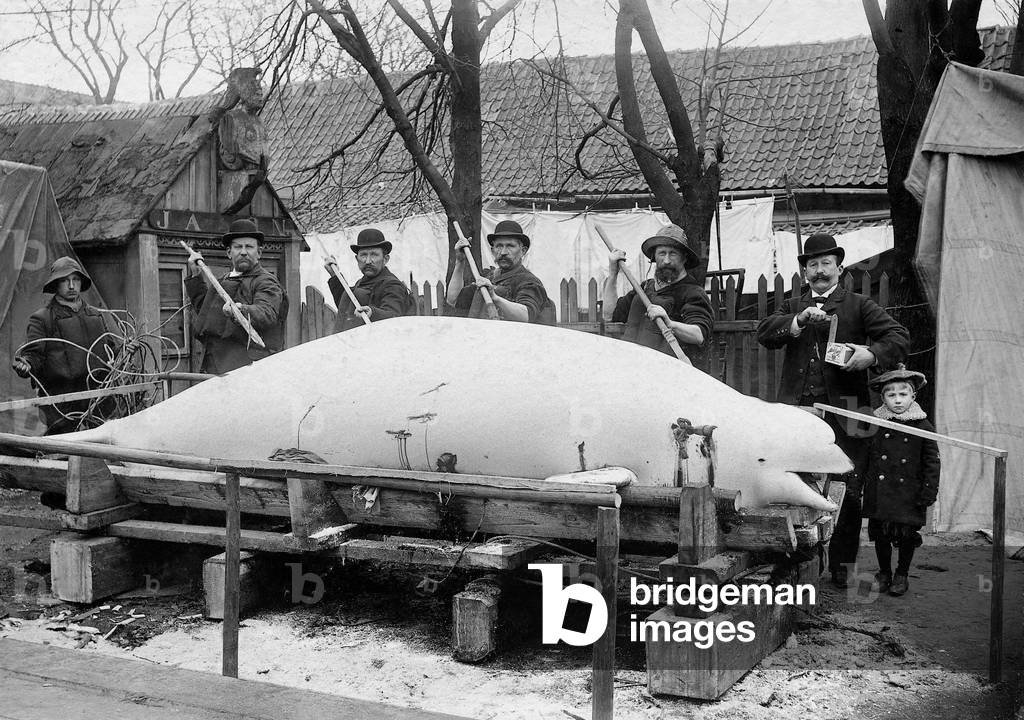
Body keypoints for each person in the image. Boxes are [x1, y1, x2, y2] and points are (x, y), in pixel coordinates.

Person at [756, 232, 910, 588]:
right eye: (813, 264)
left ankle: (842, 564)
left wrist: (870, 355)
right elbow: (764, 334)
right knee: (795, 485)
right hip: (797, 414)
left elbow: (898, 337)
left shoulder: (859, 305)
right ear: (805, 272)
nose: (820, 270)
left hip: (848, 414)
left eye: (827, 263)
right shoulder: (793, 305)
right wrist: (797, 321)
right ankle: (799, 560)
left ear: (839, 268)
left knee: (847, 489)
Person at [11, 257, 116, 434]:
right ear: (55, 284)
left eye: (76, 279)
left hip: (97, 396)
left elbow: (110, 349)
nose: (71, 286)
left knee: (105, 441)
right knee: (64, 446)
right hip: (62, 401)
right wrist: (26, 364)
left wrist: (124, 351)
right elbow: (34, 354)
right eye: (65, 281)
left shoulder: (95, 315)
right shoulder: (42, 318)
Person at [862, 365, 940, 597]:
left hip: (909, 493)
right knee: (881, 535)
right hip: (881, 491)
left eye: (903, 394)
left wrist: (929, 491)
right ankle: (884, 573)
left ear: (913, 396)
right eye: (891, 395)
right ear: (883, 398)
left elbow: (932, 462)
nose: (897, 400)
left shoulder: (923, 425)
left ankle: (902, 574)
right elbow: (866, 456)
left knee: (907, 535)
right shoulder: (876, 423)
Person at [185, 218, 287, 374]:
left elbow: (267, 313)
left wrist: (240, 310)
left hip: (249, 368)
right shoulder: (223, 280)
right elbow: (205, 311)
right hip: (214, 365)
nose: (244, 252)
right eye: (238, 247)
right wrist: (195, 274)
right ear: (229, 253)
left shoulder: (265, 281)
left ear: (259, 253)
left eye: (249, 247)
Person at [603, 224, 714, 365]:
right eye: (662, 253)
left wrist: (670, 323)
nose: (666, 260)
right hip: (632, 366)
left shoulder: (693, 292)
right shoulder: (644, 288)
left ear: (684, 258)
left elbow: (698, 335)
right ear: (654, 257)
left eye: (673, 253)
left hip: (667, 371)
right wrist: (613, 272)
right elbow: (609, 315)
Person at [446, 220, 554, 324]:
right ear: (492, 250)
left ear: (523, 251)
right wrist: (460, 262)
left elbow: (527, 316)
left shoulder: (529, 282)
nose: (503, 252)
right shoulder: (488, 278)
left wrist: (495, 298)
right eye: (499, 246)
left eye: (510, 246)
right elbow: (453, 300)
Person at [326, 228, 415, 332]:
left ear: (385, 259)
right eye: (363, 255)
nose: (368, 261)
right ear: (357, 259)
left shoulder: (392, 285)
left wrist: (372, 312)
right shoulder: (361, 282)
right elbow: (346, 308)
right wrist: (334, 275)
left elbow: (394, 317)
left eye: (374, 255)